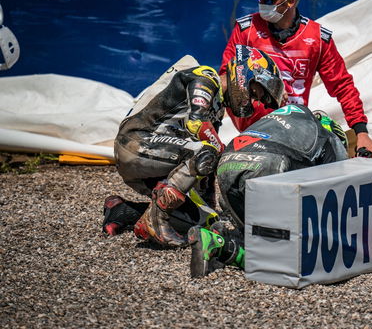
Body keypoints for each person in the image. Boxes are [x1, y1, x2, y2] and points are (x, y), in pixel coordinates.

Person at [103, 47, 284, 247]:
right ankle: (156, 219)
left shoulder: (217, 108)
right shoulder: (206, 76)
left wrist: (210, 211)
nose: (251, 101)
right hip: (136, 143)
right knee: (209, 151)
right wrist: (226, 156)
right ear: (244, 74)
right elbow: (196, 124)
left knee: (203, 220)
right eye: (253, 92)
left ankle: (123, 210)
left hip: (156, 158)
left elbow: (205, 172)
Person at [219, 0, 372, 158]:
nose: (261, 5)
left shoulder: (317, 39)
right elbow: (225, 76)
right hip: (252, 130)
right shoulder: (246, 30)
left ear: (290, 2)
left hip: (293, 128)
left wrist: (361, 132)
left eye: (267, 0)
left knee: (340, 142)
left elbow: (343, 86)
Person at [187, 104, 349, 277]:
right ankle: (229, 247)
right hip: (270, 162)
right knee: (293, 256)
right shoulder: (329, 136)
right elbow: (336, 189)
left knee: (262, 240)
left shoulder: (290, 120)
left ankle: (223, 239)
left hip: (228, 162)